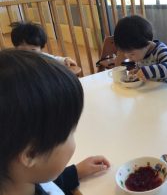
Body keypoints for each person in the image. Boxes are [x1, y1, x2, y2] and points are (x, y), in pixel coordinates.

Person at [0, 49, 110, 195]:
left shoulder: (21, 179)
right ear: (32, 154)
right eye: (71, 132)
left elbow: (45, 183)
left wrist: (75, 173)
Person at [113, 15, 167, 84]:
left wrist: (146, 71)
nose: (130, 59)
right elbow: (143, 69)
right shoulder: (140, 54)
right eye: (125, 53)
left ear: (147, 44)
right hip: (154, 88)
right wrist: (137, 71)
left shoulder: (161, 51)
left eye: (132, 54)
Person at [10, 21, 77, 67]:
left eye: (33, 50)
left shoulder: (41, 56)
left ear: (40, 49)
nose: (28, 54)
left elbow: (54, 59)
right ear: (16, 47)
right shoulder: (15, 59)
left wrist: (65, 60)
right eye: (23, 51)